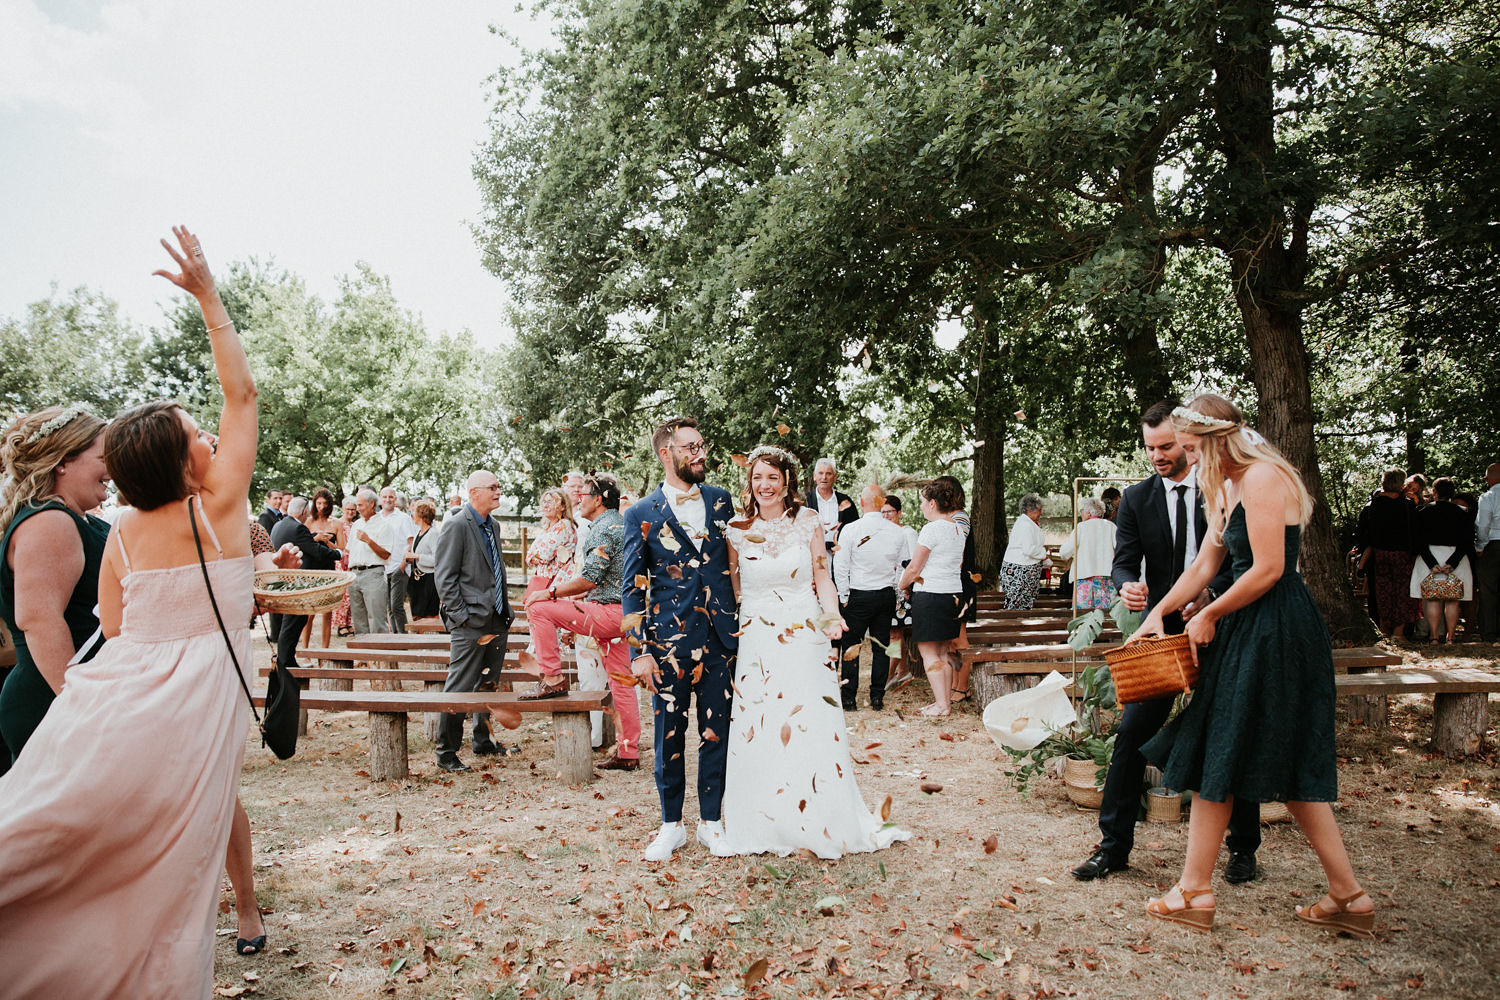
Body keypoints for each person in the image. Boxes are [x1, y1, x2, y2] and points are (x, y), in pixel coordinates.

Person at [0, 226, 301, 993]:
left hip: (118, 699)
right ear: (186, 462)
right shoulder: (223, 508)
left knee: (60, 831)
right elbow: (245, 392)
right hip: (195, 705)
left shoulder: (124, 531)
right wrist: (209, 298)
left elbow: (120, 628)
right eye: (199, 435)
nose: (213, 435)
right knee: (172, 854)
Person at [1132, 394, 1371, 938]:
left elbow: (1268, 569)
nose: (1188, 459)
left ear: (1218, 440)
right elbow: (1205, 565)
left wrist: (1210, 612)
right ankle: (1342, 897)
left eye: (1193, 448)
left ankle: (1202, 890)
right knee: (1224, 749)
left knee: (1256, 752)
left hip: (1278, 630)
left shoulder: (1263, 478)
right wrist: (1161, 613)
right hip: (1244, 627)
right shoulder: (1225, 486)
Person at [1072, 400, 1246, 884]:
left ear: (1188, 440)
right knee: (1132, 733)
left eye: (1167, 446)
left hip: (1222, 624)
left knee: (1230, 732)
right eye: (1150, 448)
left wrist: (1209, 599)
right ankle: (1113, 848)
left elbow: (1240, 560)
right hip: (1161, 632)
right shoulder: (1136, 498)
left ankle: (1243, 849)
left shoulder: (1223, 488)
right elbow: (1124, 561)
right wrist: (1127, 584)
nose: (1158, 456)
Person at [718, 446, 910, 858]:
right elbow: (733, 587)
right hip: (756, 635)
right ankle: (762, 819)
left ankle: (817, 813)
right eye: (757, 478)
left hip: (802, 630)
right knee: (762, 719)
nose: (764, 485)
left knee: (806, 718)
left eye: (772, 477)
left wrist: (831, 615)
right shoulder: (735, 527)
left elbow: (822, 575)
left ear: (787, 481)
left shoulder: (807, 523)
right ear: (749, 482)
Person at [623, 416, 739, 861]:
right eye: (690, 447)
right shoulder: (640, 513)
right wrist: (639, 654)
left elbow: (739, 562)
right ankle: (670, 825)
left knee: (717, 734)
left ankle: (712, 822)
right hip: (667, 642)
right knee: (669, 733)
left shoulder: (722, 501)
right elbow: (631, 587)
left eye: (701, 445)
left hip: (719, 639)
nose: (700, 453)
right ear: (665, 453)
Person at [0, 404, 109, 773]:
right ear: (63, 462)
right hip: (53, 699)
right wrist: (75, 705)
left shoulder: (73, 519)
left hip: (81, 693)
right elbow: (39, 620)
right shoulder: (50, 522)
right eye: (102, 457)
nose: (111, 469)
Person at [522, 474, 640, 770]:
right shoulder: (621, 523)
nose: (578, 499)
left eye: (584, 495)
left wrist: (548, 592)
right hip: (625, 615)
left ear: (598, 499)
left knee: (539, 608)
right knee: (622, 684)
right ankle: (629, 753)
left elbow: (589, 580)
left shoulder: (603, 529)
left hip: (607, 614)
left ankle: (552, 678)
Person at [431, 470, 520, 772]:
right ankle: (446, 752)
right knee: (459, 685)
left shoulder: (492, 525)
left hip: (496, 617)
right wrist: (461, 617)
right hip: (470, 621)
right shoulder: (457, 525)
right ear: (473, 493)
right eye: (492, 487)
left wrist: (503, 609)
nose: (498, 492)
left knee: (488, 683)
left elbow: (495, 570)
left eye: (499, 486)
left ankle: (483, 740)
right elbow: (444, 578)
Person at [833, 484, 912, 710]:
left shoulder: (850, 529)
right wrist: (897, 592)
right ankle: (877, 696)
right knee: (881, 646)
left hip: (859, 594)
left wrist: (844, 595)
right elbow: (902, 566)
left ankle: (849, 698)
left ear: (861, 502)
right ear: (881, 503)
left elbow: (841, 565)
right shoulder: (897, 532)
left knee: (852, 646)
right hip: (885, 594)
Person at [898, 479, 966, 716]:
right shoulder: (958, 528)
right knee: (943, 652)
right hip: (952, 595)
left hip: (931, 594)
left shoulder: (931, 529)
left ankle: (941, 705)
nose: (921, 507)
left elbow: (914, 568)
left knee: (929, 653)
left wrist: (901, 585)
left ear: (933, 503)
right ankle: (944, 702)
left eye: (923, 502)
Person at [270, 496, 340, 683]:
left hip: (283, 579)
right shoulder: (298, 527)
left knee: (294, 620)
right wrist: (337, 553)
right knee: (293, 620)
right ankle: (286, 660)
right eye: (307, 511)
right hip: (295, 580)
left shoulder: (279, 525)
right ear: (303, 512)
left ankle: (287, 657)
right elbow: (314, 550)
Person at [1350, 470, 1419, 638]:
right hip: (1403, 554)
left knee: (1383, 593)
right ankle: (1399, 632)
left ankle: (1384, 629)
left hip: (1380, 553)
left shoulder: (1374, 505)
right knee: (1402, 593)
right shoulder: (1408, 505)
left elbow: (1363, 533)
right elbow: (1416, 530)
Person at [1409, 476, 1476, 644]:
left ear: (1434, 491)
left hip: (1430, 555)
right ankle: (1451, 636)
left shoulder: (1422, 511)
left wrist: (1432, 563)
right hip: (1456, 557)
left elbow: (1418, 540)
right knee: (1453, 599)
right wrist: (1453, 563)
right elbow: (1467, 541)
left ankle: (1434, 636)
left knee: (1432, 598)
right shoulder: (1463, 513)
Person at [881, 495, 920, 694]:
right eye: (883, 512)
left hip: (902, 589)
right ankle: (903, 671)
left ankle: (887, 677)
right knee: (895, 632)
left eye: (890, 512)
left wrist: (906, 588)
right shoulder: (883, 534)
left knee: (894, 633)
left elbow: (913, 563)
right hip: (886, 588)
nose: (886, 516)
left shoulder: (908, 533)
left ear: (899, 513)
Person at [298, 487, 345, 649]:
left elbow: (342, 549)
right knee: (309, 611)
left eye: (325, 503)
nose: (321, 507)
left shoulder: (337, 523)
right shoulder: (308, 522)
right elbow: (302, 545)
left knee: (327, 611)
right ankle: (305, 648)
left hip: (328, 568)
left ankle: (325, 648)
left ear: (330, 504)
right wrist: (315, 538)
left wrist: (327, 542)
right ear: (314, 503)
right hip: (311, 569)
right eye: (318, 503)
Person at [345, 488, 394, 636]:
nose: (357, 509)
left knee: (377, 620)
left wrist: (369, 540)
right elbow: (349, 551)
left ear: (371, 504)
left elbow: (385, 554)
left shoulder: (384, 525)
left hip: (373, 573)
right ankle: (363, 656)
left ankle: (380, 656)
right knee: (359, 621)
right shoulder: (357, 524)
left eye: (360, 505)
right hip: (354, 575)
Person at [1059, 497, 1118, 610]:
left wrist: (1063, 554)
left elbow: (1066, 552)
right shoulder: (1111, 526)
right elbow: (1120, 549)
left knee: (1083, 614)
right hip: (1106, 576)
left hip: (1085, 577)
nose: (1081, 513)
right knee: (1106, 613)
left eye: (1082, 510)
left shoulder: (1081, 527)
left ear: (1089, 513)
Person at [805, 458, 858, 576]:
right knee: (819, 585)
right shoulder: (806, 501)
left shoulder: (845, 501)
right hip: (814, 555)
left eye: (828, 473)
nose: (824, 477)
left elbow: (855, 531)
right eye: (820, 473)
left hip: (840, 556)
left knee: (839, 588)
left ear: (835, 477)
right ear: (814, 476)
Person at [524, 487, 576, 603]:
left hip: (557, 583)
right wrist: (533, 556)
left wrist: (535, 556)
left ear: (563, 506)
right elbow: (529, 555)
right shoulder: (547, 528)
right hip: (543, 581)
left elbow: (544, 555)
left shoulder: (563, 525)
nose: (546, 506)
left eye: (551, 502)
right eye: (544, 502)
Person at [378, 486, 417, 634]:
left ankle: (403, 637)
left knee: (396, 606)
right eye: (385, 497)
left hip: (398, 567)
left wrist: (402, 565)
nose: (388, 500)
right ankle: (396, 639)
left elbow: (411, 542)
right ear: (380, 499)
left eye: (391, 497)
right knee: (389, 607)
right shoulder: (377, 517)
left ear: (395, 499)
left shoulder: (403, 518)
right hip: (382, 568)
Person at [999, 493, 1047, 609]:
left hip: (1024, 571)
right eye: (1039, 510)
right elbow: (1029, 549)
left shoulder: (1028, 523)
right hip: (1020, 572)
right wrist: (1043, 553)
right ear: (1030, 511)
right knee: (1016, 605)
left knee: (1022, 605)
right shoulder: (1025, 525)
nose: (1041, 513)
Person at [1476, 462, 1500, 643]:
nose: (1485, 480)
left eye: (1486, 476)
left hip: (1494, 545)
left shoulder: (1488, 496)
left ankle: (1490, 632)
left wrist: (1480, 546)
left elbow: (1483, 525)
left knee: (1488, 589)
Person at [405, 499, 442, 619]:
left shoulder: (433, 534)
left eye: (414, 512)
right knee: (417, 616)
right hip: (417, 580)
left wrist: (417, 556)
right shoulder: (418, 533)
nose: (412, 516)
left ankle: (432, 637)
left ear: (421, 515)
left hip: (429, 581)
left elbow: (437, 559)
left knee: (430, 616)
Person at [330, 495, 359, 637]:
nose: (351, 512)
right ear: (342, 509)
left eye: (353, 510)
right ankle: (341, 625)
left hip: (353, 561)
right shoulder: (337, 524)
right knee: (343, 596)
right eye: (348, 509)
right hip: (341, 561)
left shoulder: (355, 525)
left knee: (351, 596)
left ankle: (348, 623)